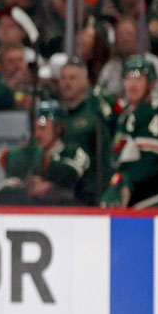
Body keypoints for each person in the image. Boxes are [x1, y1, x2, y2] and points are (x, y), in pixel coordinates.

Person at [0, 100, 90, 205]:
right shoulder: (29, 154)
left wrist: (44, 164)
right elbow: (8, 186)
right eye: (34, 129)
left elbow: (70, 175)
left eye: (42, 128)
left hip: (68, 215)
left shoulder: (72, 151)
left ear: (58, 128)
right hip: (34, 215)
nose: (37, 134)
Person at [100, 55, 158, 208]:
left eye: (139, 79)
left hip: (154, 199)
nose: (132, 84)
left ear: (151, 83)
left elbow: (152, 162)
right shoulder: (126, 114)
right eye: (128, 78)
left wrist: (125, 180)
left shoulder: (155, 112)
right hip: (133, 199)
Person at [57, 57, 115, 205]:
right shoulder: (57, 115)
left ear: (85, 81)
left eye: (72, 78)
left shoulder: (96, 111)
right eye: (63, 78)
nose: (67, 83)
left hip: (91, 194)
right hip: (63, 192)